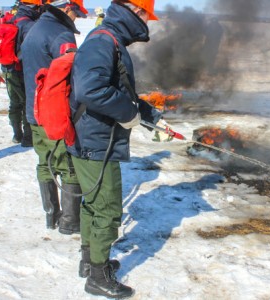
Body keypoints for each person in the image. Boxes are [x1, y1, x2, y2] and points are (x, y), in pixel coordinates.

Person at [69, 0, 167, 297]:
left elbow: (119, 87)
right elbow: (91, 89)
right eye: (145, 16)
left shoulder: (108, 39)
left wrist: (149, 116)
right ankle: (98, 277)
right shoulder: (103, 41)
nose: (146, 23)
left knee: (94, 204)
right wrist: (128, 113)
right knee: (108, 209)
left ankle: (90, 261)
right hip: (95, 141)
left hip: (92, 138)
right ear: (135, 12)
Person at [21, 0, 87, 234]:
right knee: (68, 165)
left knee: (44, 162)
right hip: (54, 114)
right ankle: (70, 221)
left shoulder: (35, 28)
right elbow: (73, 73)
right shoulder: (61, 34)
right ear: (67, 8)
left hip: (34, 111)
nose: (77, 17)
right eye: (76, 12)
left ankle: (51, 214)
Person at [3, 0, 43, 147]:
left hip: (8, 69)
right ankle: (28, 137)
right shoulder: (29, 25)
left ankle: (17, 134)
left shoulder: (12, 20)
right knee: (28, 102)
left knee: (14, 103)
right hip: (22, 70)